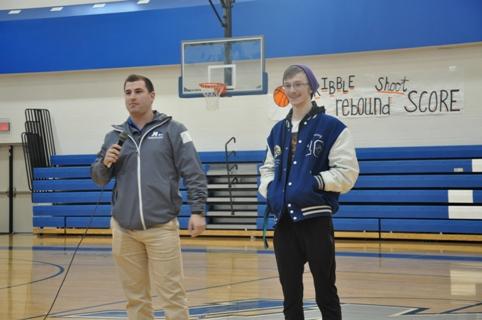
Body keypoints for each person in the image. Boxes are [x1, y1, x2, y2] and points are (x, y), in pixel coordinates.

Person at [91, 74, 207, 320]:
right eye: (128, 92)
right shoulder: (115, 136)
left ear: (152, 96)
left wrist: (197, 210)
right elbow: (99, 178)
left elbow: (193, 172)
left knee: (172, 297)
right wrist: (104, 162)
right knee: (135, 299)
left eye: (138, 91)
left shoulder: (173, 130)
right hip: (124, 230)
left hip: (161, 227)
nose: (132, 97)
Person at [258, 65, 359, 320]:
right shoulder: (277, 131)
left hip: (315, 221)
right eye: (287, 85)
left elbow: (348, 172)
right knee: (290, 295)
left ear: (311, 88)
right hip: (283, 222)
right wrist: (271, 190)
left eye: (298, 84)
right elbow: (267, 169)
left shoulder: (332, 127)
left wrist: (313, 183)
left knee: (325, 291)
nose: (292, 90)